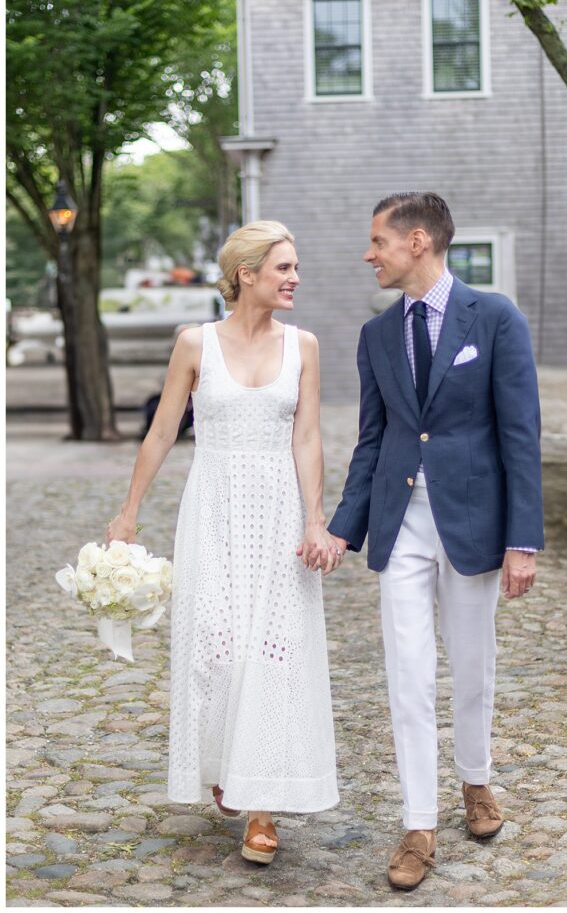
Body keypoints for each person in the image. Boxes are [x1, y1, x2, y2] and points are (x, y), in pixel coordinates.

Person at [328, 192, 543, 890]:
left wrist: (523, 539)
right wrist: (342, 528)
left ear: (417, 241)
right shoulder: (377, 336)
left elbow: (519, 434)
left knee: (473, 664)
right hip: (402, 524)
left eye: (377, 242)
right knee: (408, 675)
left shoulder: (496, 316)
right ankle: (418, 823)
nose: (370, 255)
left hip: (474, 523)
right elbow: (372, 441)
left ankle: (476, 783)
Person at [107, 220, 340, 865]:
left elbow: (308, 438)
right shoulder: (194, 343)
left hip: (278, 515)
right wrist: (128, 515)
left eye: (295, 267)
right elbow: (160, 435)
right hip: (211, 510)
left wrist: (315, 521)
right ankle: (225, 764)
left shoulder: (305, 346)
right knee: (215, 647)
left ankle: (262, 809)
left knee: (272, 651)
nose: (295, 278)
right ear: (247, 274)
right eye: (284, 268)